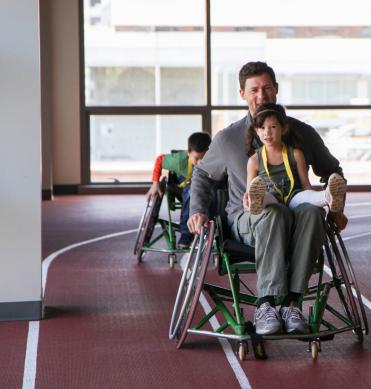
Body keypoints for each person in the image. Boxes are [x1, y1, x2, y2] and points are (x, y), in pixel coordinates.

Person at [187, 61, 347, 335]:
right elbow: (202, 176)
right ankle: (267, 304)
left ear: (276, 90)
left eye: (267, 88)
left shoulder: (302, 134)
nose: (261, 96)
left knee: (310, 212)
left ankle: (293, 304)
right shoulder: (228, 139)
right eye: (254, 90)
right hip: (248, 218)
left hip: (297, 217)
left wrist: (334, 210)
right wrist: (197, 210)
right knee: (273, 213)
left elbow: (333, 170)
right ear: (242, 94)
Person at [244, 103, 347, 215]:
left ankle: (330, 197)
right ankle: (257, 202)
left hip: (294, 198)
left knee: (308, 196)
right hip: (272, 200)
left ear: (283, 129)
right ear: (256, 131)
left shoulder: (296, 154)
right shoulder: (254, 160)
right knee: (265, 197)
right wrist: (248, 200)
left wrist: (313, 201)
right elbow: (249, 190)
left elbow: (305, 184)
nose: (267, 132)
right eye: (262, 128)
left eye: (273, 127)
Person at [146, 131, 211, 248]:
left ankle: (214, 230)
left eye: (203, 158)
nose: (200, 162)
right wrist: (155, 183)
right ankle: (186, 235)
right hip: (181, 188)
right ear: (189, 152)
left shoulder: (213, 161)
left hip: (204, 189)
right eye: (196, 158)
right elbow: (160, 160)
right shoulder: (179, 161)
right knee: (191, 191)